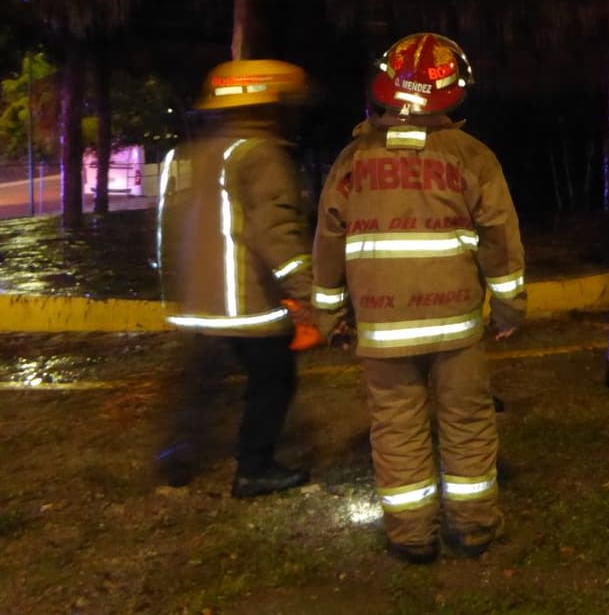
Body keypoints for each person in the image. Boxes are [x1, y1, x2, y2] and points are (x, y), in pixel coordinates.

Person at [310, 32, 526, 564]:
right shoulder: (472, 156)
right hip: (456, 325)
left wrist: (329, 312)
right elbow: (500, 237)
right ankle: (474, 528)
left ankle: (411, 536)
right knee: (468, 419)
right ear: (456, 91)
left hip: (383, 329)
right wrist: (509, 306)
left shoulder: (353, 158)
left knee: (396, 426)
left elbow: (328, 239)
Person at [156, 59, 316, 498]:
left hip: (200, 299)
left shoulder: (199, 151)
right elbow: (277, 234)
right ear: (270, 105)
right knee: (274, 380)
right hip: (244, 303)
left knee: (202, 382)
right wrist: (311, 295)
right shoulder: (261, 153)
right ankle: (254, 467)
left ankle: (177, 456)